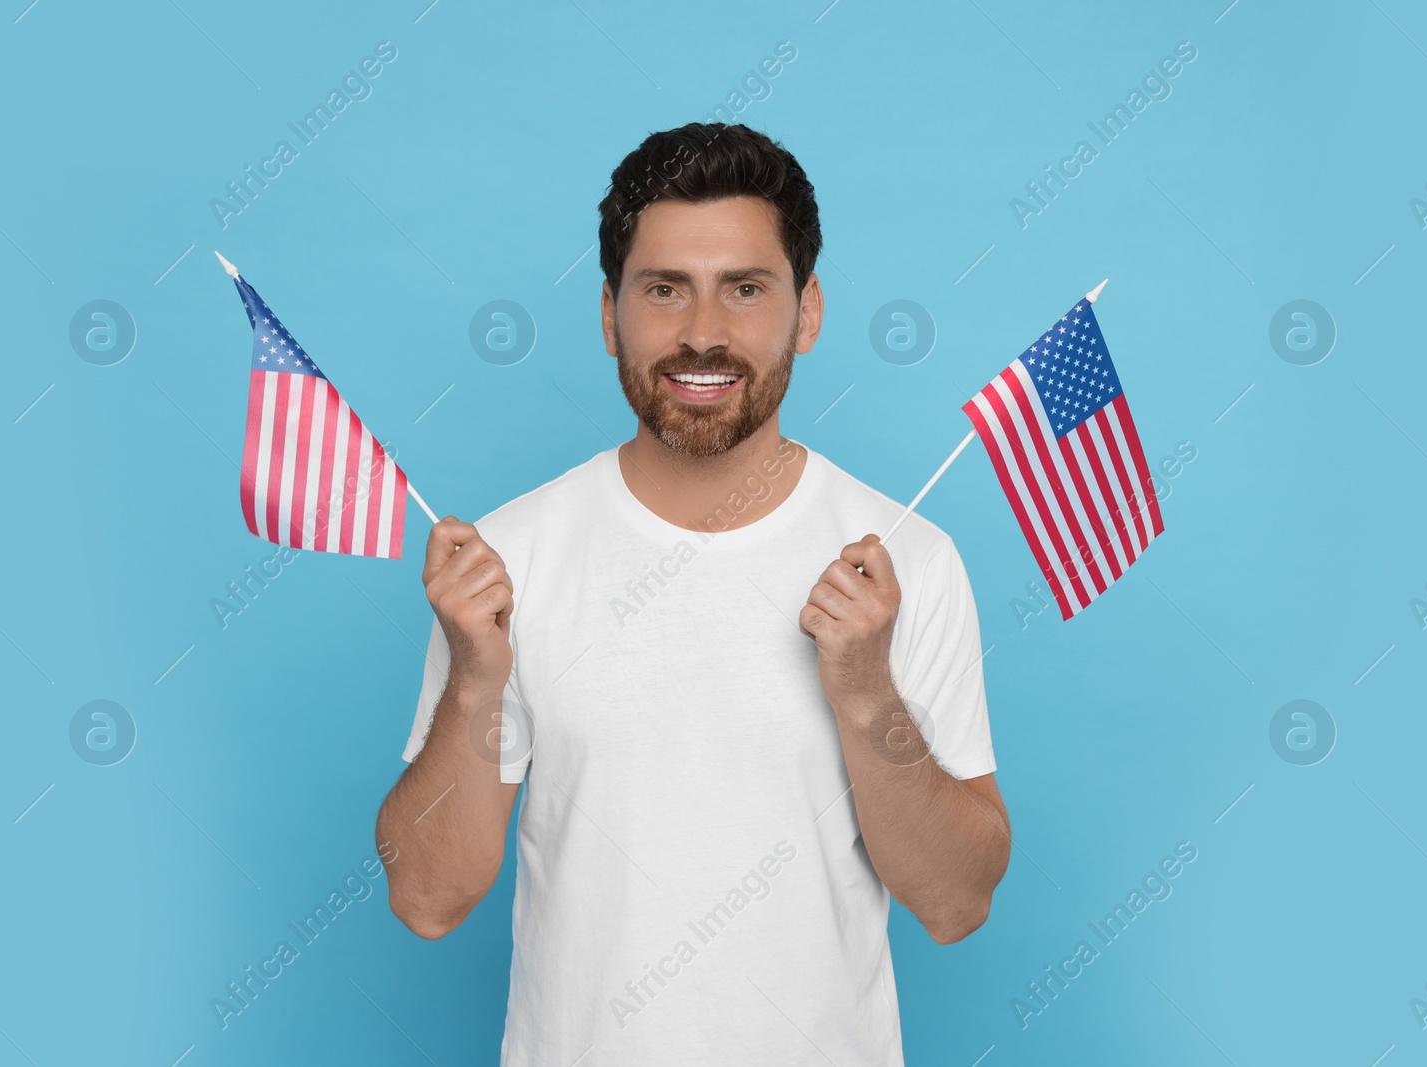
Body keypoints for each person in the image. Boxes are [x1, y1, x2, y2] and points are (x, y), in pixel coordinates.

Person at [375, 121, 1010, 1065]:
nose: (703, 332)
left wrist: (869, 693)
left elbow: (957, 904)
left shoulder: (907, 559)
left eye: (745, 289)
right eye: (664, 289)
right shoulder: (511, 559)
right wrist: (474, 678)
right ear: (608, 315)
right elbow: (428, 900)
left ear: (807, 312)